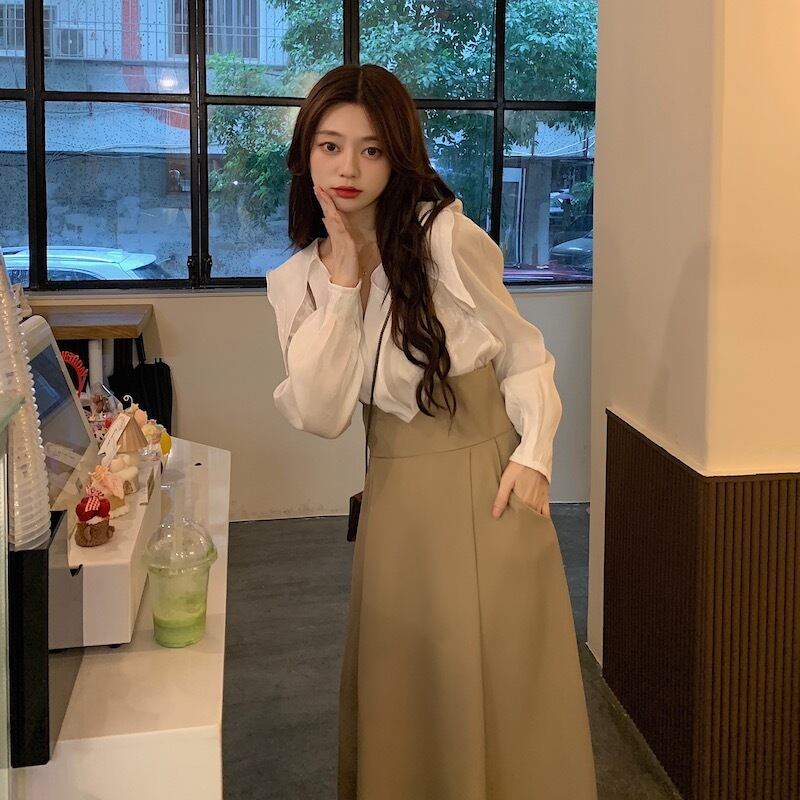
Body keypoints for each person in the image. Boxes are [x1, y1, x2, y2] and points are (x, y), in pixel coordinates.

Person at [265, 63, 597, 800]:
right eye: (330, 146)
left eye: (372, 150)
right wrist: (345, 275)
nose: (348, 168)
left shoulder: (442, 236)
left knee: (503, 689)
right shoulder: (298, 281)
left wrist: (536, 454)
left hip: (487, 485)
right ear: (305, 153)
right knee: (410, 690)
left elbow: (522, 350)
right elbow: (322, 414)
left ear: (398, 158)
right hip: (397, 498)